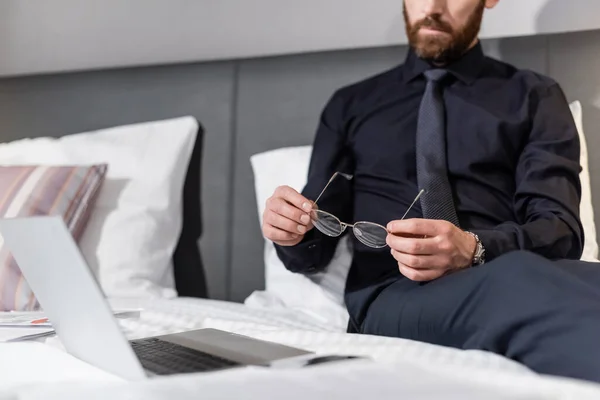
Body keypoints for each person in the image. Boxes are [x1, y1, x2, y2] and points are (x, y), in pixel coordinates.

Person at [261, 0, 600, 383]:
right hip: (393, 291)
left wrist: (473, 248)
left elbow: (559, 229)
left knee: (532, 277)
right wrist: (289, 229)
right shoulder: (351, 105)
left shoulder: (534, 96)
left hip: (511, 267)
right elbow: (315, 244)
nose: (434, 7)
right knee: (515, 281)